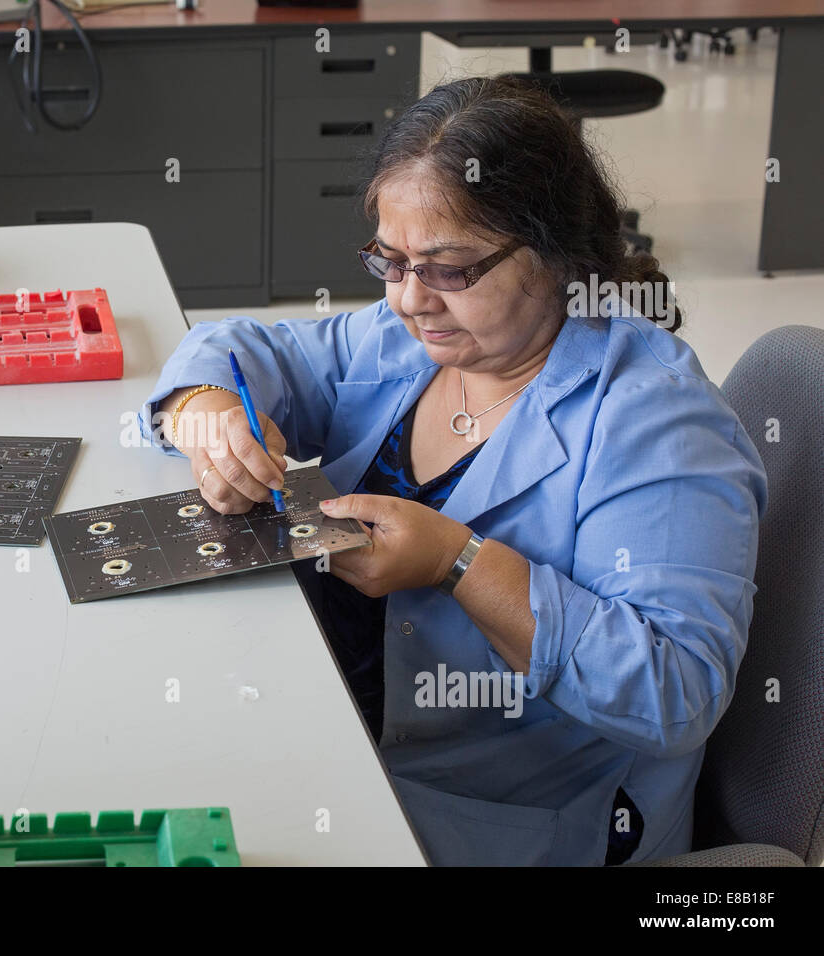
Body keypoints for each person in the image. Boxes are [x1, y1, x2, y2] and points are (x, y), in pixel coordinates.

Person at [139, 76, 767, 866]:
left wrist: (457, 563)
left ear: (554, 256)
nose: (407, 299)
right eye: (388, 260)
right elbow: (251, 353)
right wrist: (208, 413)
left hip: (506, 817)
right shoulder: (414, 337)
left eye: (447, 269)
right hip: (342, 724)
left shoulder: (656, 424)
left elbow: (676, 692)